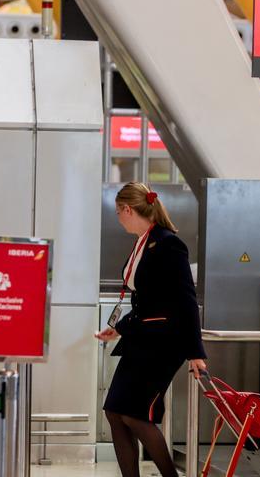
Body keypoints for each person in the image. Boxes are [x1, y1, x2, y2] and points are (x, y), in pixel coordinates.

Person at [94, 182, 207, 477]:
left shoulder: (168, 243)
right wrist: (118, 328)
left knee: (135, 415)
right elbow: (148, 302)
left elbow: (185, 300)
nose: (118, 218)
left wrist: (196, 352)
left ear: (128, 210)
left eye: (118, 212)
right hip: (141, 341)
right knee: (115, 413)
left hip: (162, 345)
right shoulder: (145, 242)